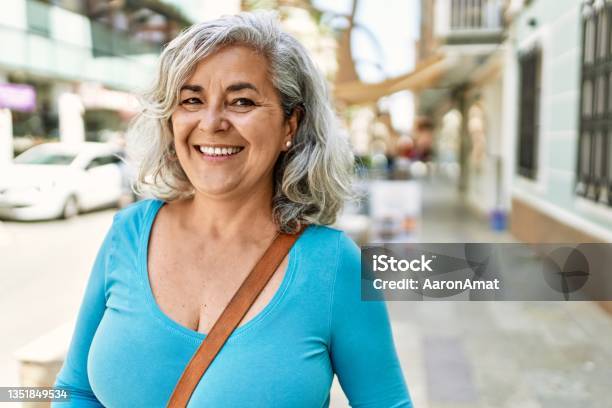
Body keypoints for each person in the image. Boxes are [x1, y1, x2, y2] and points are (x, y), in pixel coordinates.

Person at [52, 11, 413, 407]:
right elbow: (76, 389)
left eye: (241, 101)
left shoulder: (334, 265)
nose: (211, 122)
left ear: (290, 126)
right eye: (191, 100)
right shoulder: (129, 231)